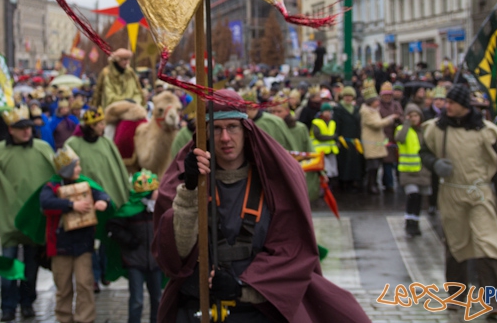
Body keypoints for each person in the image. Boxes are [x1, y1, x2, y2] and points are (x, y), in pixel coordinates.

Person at [154, 90, 371, 322]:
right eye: (216, 129)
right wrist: (190, 189)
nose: (225, 138)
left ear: (246, 130)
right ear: (205, 134)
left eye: (232, 127)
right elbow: (176, 254)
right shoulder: (183, 181)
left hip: (258, 312)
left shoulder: (275, 183)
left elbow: (291, 253)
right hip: (197, 310)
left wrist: (242, 288)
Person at [420, 84, 497, 317]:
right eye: (446, 103)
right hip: (451, 192)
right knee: (456, 245)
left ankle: (491, 300)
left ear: (463, 105)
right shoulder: (437, 129)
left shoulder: (484, 130)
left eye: (451, 103)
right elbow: (424, 152)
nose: (446, 106)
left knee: (488, 244)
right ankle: (456, 297)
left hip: (480, 193)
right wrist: (435, 164)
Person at [0, 105, 56, 322]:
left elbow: (55, 174)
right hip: (9, 215)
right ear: (11, 129)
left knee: (31, 265)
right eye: (20, 128)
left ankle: (27, 302)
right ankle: (7, 307)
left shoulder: (42, 147)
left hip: (33, 217)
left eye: (28, 127)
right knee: (8, 265)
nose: (26, 131)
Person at [40, 146, 110, 323]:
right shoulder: (52, 186)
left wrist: (102, 200)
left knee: (84, 284)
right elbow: (46, 203)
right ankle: (64, 318)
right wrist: (71, 205)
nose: (79, 169)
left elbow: (101, 193)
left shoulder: (84, 183)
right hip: (60, 246)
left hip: (83, 245)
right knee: (63, 287)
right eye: (76, 166)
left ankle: (84, 319)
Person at [64, 107, 131, 289]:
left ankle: (105, 271)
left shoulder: (106, 143)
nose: (103, 126)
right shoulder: (73, 144)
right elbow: (67, 172)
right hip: (84, 200)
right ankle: (92, 276)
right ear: (90, 126)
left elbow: (116, 169)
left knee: (106, 237)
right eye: (100, 123)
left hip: (106, 199)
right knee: (89, 240)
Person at [107, 170, 162, 323]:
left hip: (155, 261)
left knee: (158, 298)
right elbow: (114, 227)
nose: (158, 192)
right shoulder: (130, 211)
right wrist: (130, 240)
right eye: (155, 190)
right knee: (137, 299)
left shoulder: (158, 209)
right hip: (135, 261)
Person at [394, 103, 432, 237]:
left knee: (419, 198)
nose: (414, 118)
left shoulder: (424, 130)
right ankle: (409, 222)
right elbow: (400, 139)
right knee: (412, 195)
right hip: (408, 170)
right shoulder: (402, 128)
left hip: (422, 170)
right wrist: (406, 124)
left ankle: (415, 222)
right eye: (411, 116)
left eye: (416, 115)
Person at [359, 85, 398, 194]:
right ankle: (370, 185)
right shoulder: (366, 112)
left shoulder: (374, 110)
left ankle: (373, 184)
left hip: (377, 142)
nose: (378, 102)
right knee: (372, 166)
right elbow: (376, 124)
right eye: (376, 101)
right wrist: (390, 118)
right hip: (371, 142)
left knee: (376, 166)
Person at [333, 86, 363, 192]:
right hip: (343, 140)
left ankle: (352, 182)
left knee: (354, 162)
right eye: (346, 96)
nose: (348, 98)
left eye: (350, 96)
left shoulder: (356, 109)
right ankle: (343, 182)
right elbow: (336, 125)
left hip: (354, 140)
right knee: (343, 162)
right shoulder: (338, 109)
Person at [379, 82, 404, 192]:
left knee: (390, 161)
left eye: (389, 95)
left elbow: (402, 117)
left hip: (394, 136)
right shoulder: (378, 105)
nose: (387, 97)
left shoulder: (396, 105)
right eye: (385, 95)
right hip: (382, 136)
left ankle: (389, 182)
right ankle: (388, 183)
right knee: (386, 162)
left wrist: (398, 118)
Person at [311, 102, 339, 178]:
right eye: (326, 111)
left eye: (329, 111)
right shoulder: (316, 122)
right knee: (326, 171)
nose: (328, 113)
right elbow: (318, 136)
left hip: (331, 150)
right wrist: (332, 137)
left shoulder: (332, 122)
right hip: (320, 150)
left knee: (333, 171)